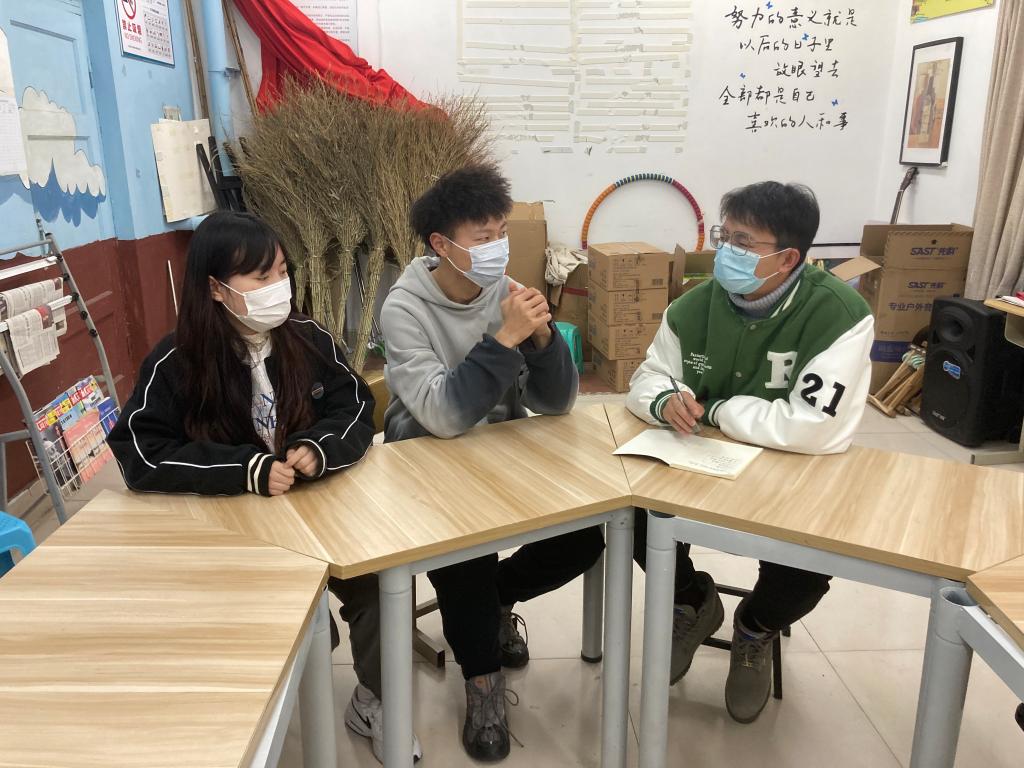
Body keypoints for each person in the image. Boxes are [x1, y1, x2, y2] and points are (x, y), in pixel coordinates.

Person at [107, 211, 421, 764]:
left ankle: (374, 699)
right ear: (216, 289)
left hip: (319, 514)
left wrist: (320, 447)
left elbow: (355, 405)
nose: (279, 287)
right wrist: (243, 469)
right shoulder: (176, 361)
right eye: (260, 277)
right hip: (236, 529)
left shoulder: (307, 337)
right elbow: (139, 452)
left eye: (280, 271)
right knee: (301, 629)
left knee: (382, 585)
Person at [380, 164, 605, 762]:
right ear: (441, 245)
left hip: (502, 450)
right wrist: (504, 340)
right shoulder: (404, 308)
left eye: (501, 233)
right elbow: (441, 414)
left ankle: (495, 602)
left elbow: (555, 404)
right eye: (482, 237)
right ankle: (482, 682)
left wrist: (543, 342)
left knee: (588, 532)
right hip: (428, 456)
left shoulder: (506, 291)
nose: (497, 248)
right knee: (466, 556)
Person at [627, 181, 873, 724]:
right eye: (725, 236)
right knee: (631, 514)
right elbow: (648, 377)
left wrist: (717, 411)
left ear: (788, 258)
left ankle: (755, 628)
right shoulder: (693, 307)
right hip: (700, 461)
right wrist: (665, 401)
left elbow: (816, 428)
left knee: (810, 563)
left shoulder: (839, 314)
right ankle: (692, 602)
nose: (726, 252)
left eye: (743, 242)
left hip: (791, 472)